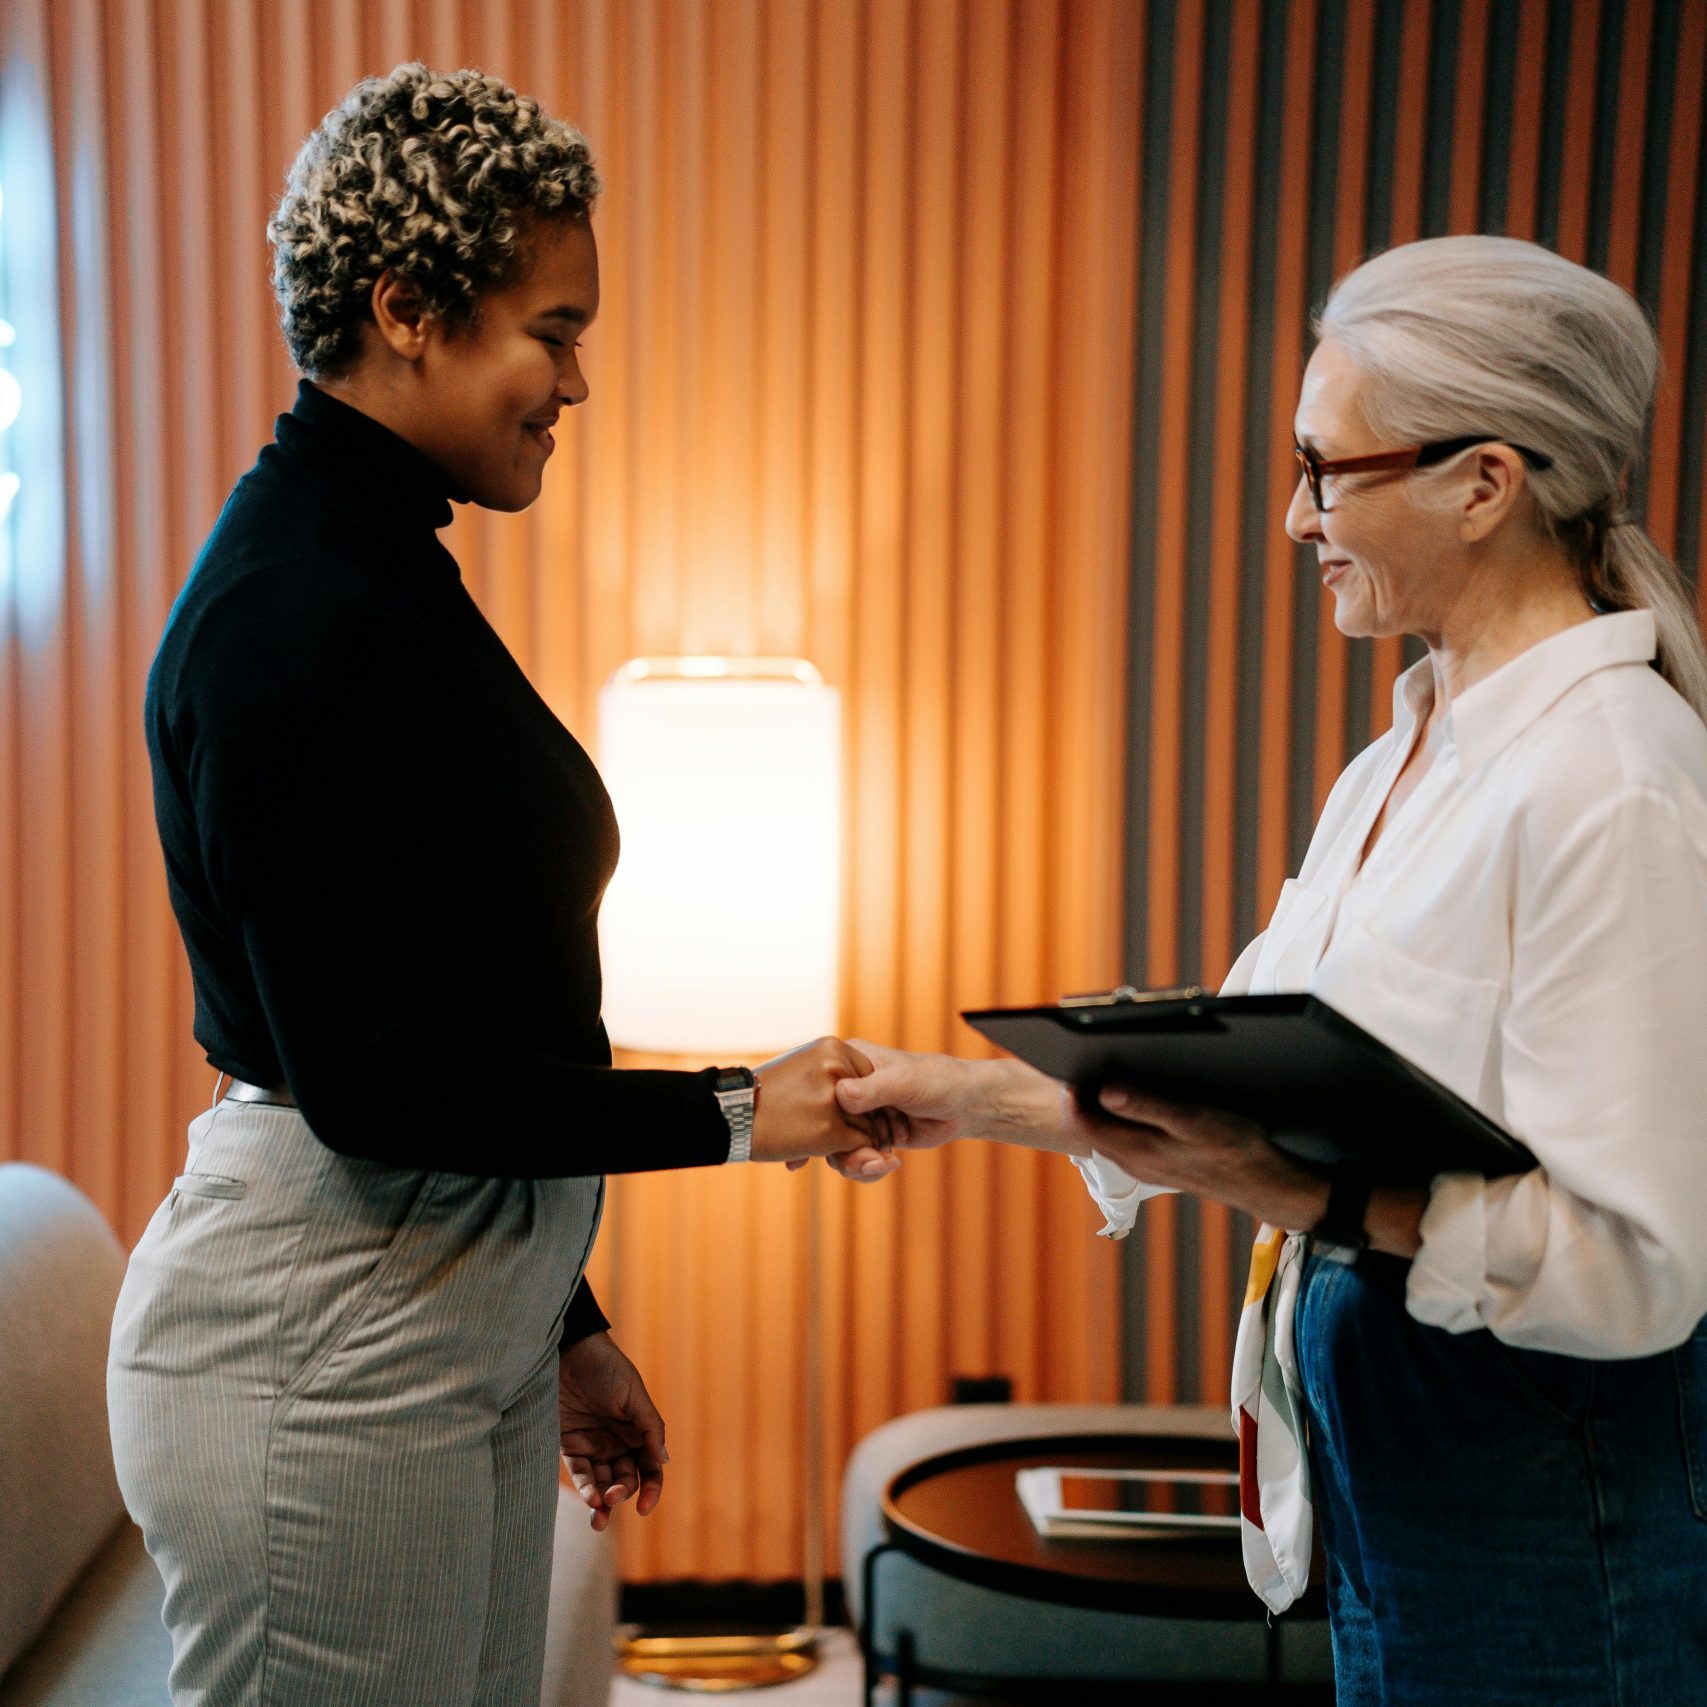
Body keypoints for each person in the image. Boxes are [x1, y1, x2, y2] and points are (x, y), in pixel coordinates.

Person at [109, 65, 889, 1707]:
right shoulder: (290, 614)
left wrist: (563, 1316)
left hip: (434, 1307)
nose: (578, 380)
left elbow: (473, 994)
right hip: (317, 1348)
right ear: (407, 309)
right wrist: (744, 1110)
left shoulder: (382, 566)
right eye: (553, 328)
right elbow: (375, 1078)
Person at [837, 236, 1707, 1704]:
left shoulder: (1612, 785)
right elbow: (1244, 1087)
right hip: (1398, 1505)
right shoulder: (1400, 762)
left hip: (1552, 1535)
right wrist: (950, 1098)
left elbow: (1639, 1271)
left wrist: (1302, 1197)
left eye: (1326, 468)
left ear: (1482, 483)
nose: (1296, 515)